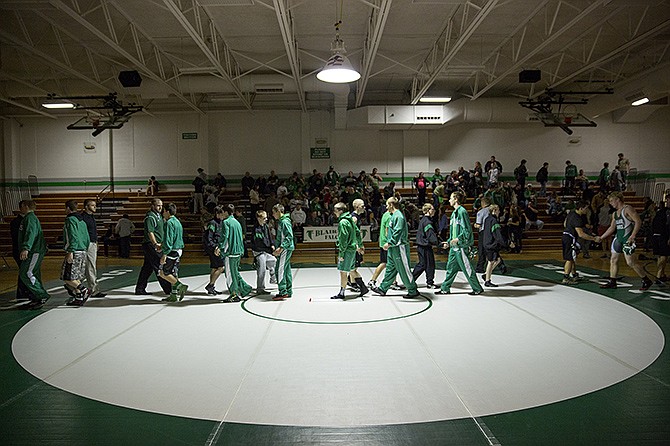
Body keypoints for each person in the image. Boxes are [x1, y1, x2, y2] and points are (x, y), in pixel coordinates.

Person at [598, 192, 653, 290]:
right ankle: (612, 281)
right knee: (613, 259)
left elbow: (638, 221)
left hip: (627, 238)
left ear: (617, 199)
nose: (610, 203)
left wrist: (632, 236)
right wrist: (602, 237)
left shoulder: (627, 209)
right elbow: (612, 227)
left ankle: (646, 280)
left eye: (611, 201)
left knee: (630, 262)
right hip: (618, 238)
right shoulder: (615, 213)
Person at [370, 197, 420, 298]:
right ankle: (383, 288)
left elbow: (398, 232)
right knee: (390, 268)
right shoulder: (393, 216)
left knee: (404, 269)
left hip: (399, 247)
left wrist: (389, 243)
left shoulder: (399, 216)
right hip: (393, 247)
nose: (386, 207)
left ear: (392, 205)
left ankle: (412, 290)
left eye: (387, 205)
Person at [436, 191, 483, 296]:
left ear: (456, 199)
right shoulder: (454, 213)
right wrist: (449, 242)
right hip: (454, 247)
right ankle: (445, 288)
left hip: (460, 246)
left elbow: (466, 229)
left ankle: (477, 288)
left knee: (467, 268)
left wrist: (459, 239)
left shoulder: (462, 212)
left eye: (451, 198)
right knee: (450, 268)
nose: (449, 200)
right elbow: (454, 232)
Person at [134, 198, 172, 296]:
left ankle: (140, 288)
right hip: (151, 245)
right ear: (153, 206)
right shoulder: (150, 217)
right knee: (159, 265)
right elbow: (150, 232)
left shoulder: (159, 216)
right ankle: (168, 289)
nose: (160, 207)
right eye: (158, 205)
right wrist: (155, 244)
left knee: (147, 268)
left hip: (157, 244)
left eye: (161, 205)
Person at [331, 202, 369, 299]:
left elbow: (343, 240)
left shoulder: (343, 222)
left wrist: (342, 254)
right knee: (352, 270)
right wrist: (360, 244)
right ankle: (363, 287)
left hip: (347, 250)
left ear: (340, 211)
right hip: (353, 250)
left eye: (335, 211)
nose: (334, 213)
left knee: (343, 271)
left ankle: (342, 293)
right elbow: (357, 232)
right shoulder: (351, 220)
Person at [17, 200, 50, 309]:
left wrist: (26, 248)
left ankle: (41, 294)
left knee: (26, 273)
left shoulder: (30, 218)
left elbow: (30, 234)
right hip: (35, 250)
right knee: (34, 273)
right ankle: (36, 296)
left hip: (33, 251)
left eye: (21, 206)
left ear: (26, 206)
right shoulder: (30, 218)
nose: (20, 208)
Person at [561, 200, 600, 285]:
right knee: (570, 258)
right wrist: (594, 239)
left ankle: (574, 275)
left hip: (565, 235)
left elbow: (565, 224)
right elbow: (581, 234)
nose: (587, 210)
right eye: (586, 208)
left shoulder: (572, 213)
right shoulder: (577, 218)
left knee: (572, 256)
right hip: (570, 238)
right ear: (581, 208)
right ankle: (566, 278)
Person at [220, 204, 252, 302]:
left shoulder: (226, 222)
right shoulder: (237, 222)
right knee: (235, 272)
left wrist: (221, 249)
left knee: (229, 274)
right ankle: (245, 288)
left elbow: (225, 238)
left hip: (231, 252)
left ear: (226, 212)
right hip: (238, 251)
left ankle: (233, 294)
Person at [62, 200, 91, 306]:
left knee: (68, 277)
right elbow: (87, 237)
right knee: (76, 277)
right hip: (83, 250)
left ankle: (84, 290)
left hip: (75, 251)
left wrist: (71, 251)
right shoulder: (82, 221)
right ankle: (78, 297)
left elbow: (72, 235)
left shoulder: (70, 220)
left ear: (68, 208)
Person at [159, 202, 188, 302]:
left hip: (171, 251)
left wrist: (164, 253)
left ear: (167, 211)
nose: (162, 213)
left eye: (163, 211)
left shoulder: (169, 223)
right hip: (179, 250)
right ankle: (174, 294)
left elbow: (169, 240)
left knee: (163, 273)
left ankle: (181, 286)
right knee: (173, 273)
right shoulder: (177, 221)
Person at [481, 205, 514, 287]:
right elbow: (498, 235)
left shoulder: (487, 219)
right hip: (491, 244)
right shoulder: (494, 221)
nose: (499, 212)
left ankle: (486, 275)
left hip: (487, 243)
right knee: (491, 262)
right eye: (498, 210)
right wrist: (507, 243)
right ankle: (487, 281)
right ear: (494, 210)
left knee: (498, 260)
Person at [79, 199, 105, 297]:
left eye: (95, 205)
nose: (95, 207)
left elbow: (94, 231)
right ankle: (93, 290)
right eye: (92, 205)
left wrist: (96, 243)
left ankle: (77, 287)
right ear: (86, 206)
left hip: (92, 243)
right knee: (90, 267)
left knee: (89, 267)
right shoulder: (83, 217)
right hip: (87, 244)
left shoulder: (91, 217)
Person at [412, 203, 439, 288]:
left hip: (421, 246)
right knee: (428, 264)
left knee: (422, 264)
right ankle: (429, 282)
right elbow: (431, 236)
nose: (434, 211)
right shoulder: (428, 222)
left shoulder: (423, 220)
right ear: (428, 211)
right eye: (432, 209)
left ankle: (411, 280)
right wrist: (440, 244)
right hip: (425, 247)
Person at [251, 210, 277, 294]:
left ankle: (273, 278)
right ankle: (260, 289)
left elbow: (269, 237)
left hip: (265, 250)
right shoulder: (256, 229)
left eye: (266, 218)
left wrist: (272, 244)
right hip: (259, 251)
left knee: (273, 260)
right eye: (264, 218)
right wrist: (269, 250)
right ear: (259, 218)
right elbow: (260, 243)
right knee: (261, 270)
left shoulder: (265, 226)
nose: (266, 219)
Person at [272, 204, 294, 300]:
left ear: (278, 211)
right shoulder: (283, 221)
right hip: (286, 248)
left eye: (274, 212)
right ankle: (288, 290)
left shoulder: (284, 222)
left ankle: (283, 291)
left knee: (279, 269)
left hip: (285, 249)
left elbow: (289, 236)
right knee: (286, 269)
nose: (273, 215)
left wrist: (280, 248)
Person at [10, 200, 31, 302]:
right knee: (24, 271)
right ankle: (22, 292)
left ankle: (24, 291)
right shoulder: (16, 222)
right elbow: (17, 237)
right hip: (19, 250)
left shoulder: (29, 220)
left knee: (25, 271)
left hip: (23, 249)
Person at [203, 205, 225, 295]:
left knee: (214, 267)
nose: (223, 216)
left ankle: (211, 287)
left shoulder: (220, 222)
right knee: (221, 267)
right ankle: (210, 285)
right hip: (214, 249)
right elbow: (209, 237)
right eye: (222, 214)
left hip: (215, 248)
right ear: (217, 214)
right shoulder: (213, 223)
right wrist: (215, 247)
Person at [651, 193, 670, 284]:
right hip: (660, 235)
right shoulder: (662, 212)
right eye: (667, 200)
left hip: (661, 235)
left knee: (663, 256)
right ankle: (659, 275)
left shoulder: (663, 212)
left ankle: (661, 274)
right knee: (662, 256)